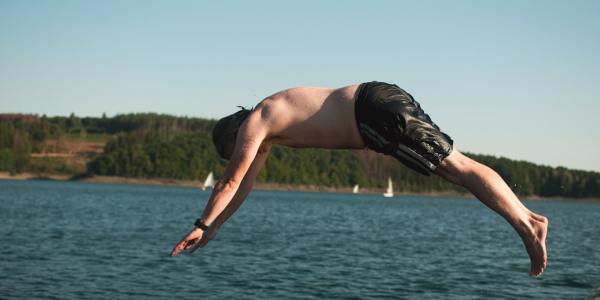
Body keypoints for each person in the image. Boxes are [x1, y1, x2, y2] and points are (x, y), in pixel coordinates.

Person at [170, 81, 548, 276]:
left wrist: (202, 223)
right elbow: (245, 186)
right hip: (378, 101)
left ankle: (525, 225)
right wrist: (215, 228)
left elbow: (230, 182)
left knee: (459, 169)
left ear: (233, 134)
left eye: (233, 151)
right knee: (459, 167)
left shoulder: (258, 120)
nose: (239, 157)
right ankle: (528, 218)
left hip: (372, 114)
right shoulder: (270, 122)